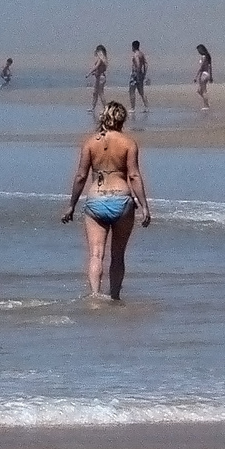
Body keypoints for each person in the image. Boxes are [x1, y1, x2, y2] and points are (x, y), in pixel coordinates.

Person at [60, 102, 150, 300]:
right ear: (122, 119)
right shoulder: (128, 143)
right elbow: (134, 175)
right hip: (122, 200)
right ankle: (115, 298)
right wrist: (144, 206)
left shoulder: (91, 143)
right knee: (118, 256)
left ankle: (95, 296)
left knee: (95, 254)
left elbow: (80, 177)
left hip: (96, 200)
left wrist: (71, 206)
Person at [128, 41, 149, 111]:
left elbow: (138, 63)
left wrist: (137, 72)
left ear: (133, 46)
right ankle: (147, 107)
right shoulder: (141, 54)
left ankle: (132, 108)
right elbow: (146, 64)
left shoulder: (136, 55)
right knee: (141, 92)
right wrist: (144, 73)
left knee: (131, 91)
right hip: (140, 74)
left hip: (135, 75)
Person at [87, 45, 108, 114]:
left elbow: (96, 67)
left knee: (100, 93)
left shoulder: (101, 59)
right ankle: (93, 107)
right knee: (95, 93)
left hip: (100, 77)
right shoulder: (104, 59)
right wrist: (94, 73)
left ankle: (106, 108)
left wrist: (89, 73)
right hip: (99, 77)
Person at [194, 45, 213, 109]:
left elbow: (201, 67)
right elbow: (210, 68)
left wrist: (196, 76)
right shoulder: (208, 57)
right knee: (199, 90)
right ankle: (206, 103)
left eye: (199, 50)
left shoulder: (204, 57)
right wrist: (210, 76)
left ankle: (206, 105)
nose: (198, 52)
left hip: (203, 74)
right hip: (206, 74)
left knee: (204, 90)